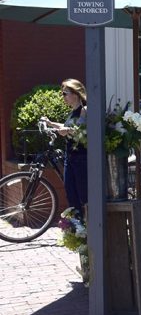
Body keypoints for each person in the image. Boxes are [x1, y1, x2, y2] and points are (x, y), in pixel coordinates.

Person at [39, 79, 88, 214]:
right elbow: (67, 126)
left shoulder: (84, 110)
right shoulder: (73, 112)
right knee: (70, 193)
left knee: (83, 195)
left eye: (65, 94)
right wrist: (50, 123)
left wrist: (68, 131)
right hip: (71, 156)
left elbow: (83, 130)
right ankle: (77, 228)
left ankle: (86, 227)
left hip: (81, 157)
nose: (63, 97)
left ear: (76, 94)